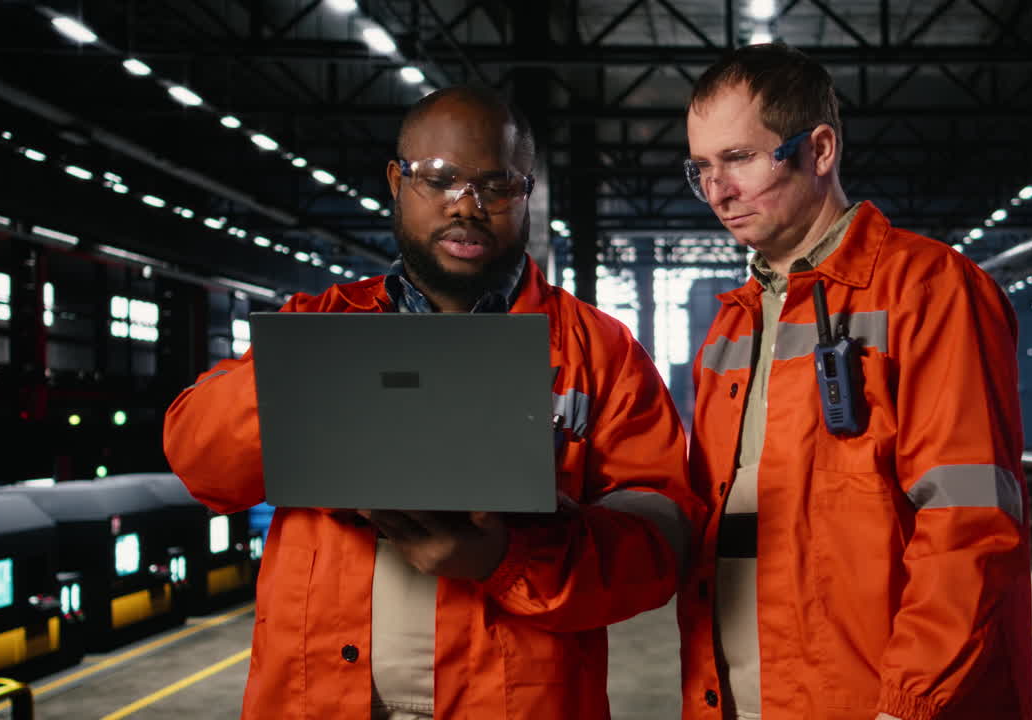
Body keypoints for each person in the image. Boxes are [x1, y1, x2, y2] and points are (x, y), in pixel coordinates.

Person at [163, 86, 701, 720]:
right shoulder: (324, 325)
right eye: (440, 179)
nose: (467, 207)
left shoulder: (600, 351)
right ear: (397, 181)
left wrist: (507, 558)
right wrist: (321, 377)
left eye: (497, 186)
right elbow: (202, 463)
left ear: (526, 193)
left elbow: (661, 543)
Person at [676, 44, 1032, 720]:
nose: (718, 190)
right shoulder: (731, 328)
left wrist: (907, 704)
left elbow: (968, 523)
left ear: (819, 148)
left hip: (882, 703)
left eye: (740, 158)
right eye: (701, 168)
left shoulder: (928, 291)